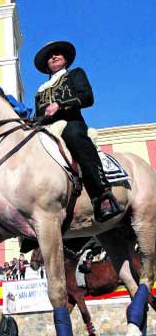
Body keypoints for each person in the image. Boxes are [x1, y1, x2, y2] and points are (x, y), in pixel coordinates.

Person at [34, 40, 124, 223]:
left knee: (74, 136)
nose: (53, 57)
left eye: (57, 54)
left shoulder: (75, 74)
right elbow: (38, 114)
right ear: (46, 65)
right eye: (50, 57)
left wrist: (60, 105)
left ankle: (102, 196)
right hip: (46, 128)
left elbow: (87, 97)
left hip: (71, 121)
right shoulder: (40, 90)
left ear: (65, 59)